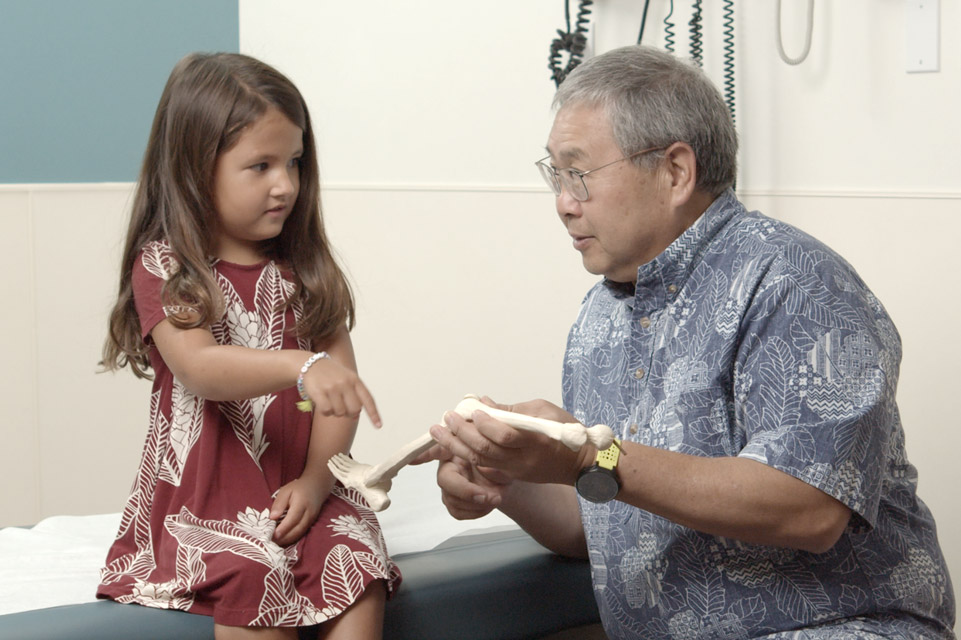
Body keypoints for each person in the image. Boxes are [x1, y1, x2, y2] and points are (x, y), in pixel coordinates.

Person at [425, 46, 956, 639]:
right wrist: (506, 479)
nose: (563, 203)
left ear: (675, 171)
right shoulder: (601, 315)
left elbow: (809, 508)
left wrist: (585, 455)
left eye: (579, 173)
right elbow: (600, 522)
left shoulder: (796, 283)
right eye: (555, 174)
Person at [96, 52, 400, 640]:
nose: (285, 184)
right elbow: (202, 368)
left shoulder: (303, 266)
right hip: (208, 500)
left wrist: (316, 482)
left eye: (293, 162)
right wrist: (300, 365)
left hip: (300, 486)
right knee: (252, 571)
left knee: (357, 558)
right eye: (259, 166)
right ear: (194, 169)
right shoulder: (167, 266)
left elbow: (339, 396)